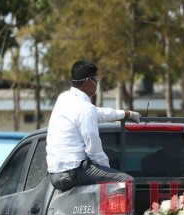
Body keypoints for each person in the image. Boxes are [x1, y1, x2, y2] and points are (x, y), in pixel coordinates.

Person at [46, 60, 141, 191]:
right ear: (88, 81)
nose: (97, 83)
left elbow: (97, 113)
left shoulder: (65, 98)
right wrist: (106, 169)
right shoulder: (84, 108)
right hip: (75, 171)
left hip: (57, 174)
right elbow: (93, 147)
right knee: (126, 181)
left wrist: (126, 114)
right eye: (96, 79)